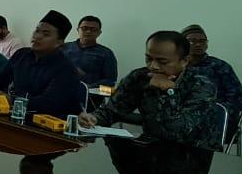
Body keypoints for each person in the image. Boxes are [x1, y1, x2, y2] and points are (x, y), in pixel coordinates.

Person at [80, 31, 220, 148]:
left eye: (162, 61)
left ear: (184, 61)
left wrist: (167, 92)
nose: (153, 66)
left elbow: (177, 132)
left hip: (193, 152)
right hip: (150, 148)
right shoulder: (139, 77)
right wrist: (94, 118)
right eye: (148, 59)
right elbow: (113, 110)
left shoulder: (201, 85)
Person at [0, 10, 85, 116]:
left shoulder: (66, 69)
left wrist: (11, 100)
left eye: (46, 34)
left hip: (53, 126)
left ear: (59, 42)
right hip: (20, 116)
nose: (37, 36)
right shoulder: (22, 55)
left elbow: (48, 103)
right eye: (37, 30)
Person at [181, 24, 242, 121]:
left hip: (211, 120)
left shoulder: (219, 66)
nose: (198, 44)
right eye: (192, 41)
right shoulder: (175, 66)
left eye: (202, 41)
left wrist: (214, 113)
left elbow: (238, 98)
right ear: (182, 44)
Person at [62, 15, 119, 86]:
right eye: (84, 28)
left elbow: (111, 81)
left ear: (99, 33)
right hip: (60, 91)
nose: (88, 31)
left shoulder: (106, 53)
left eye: (93, 29)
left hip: (91, 94)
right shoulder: (63, 48)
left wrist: (89, 87)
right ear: (78, 30)